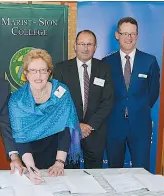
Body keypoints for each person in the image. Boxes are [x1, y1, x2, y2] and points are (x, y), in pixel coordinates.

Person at [9, 49, 81, 184]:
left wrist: (60, 162)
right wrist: (31, 168)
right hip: (31, 155)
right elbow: (21, 138)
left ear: (49, 73)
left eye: (43, 70)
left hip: (60, 153)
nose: (38, 75)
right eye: (33, 70)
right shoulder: (17, 100)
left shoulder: (61, 92)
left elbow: (65, 129)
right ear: (26, 74)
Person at [103, 17, 160, 170]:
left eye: (132, 34)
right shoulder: (106, 63)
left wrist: (138, 107)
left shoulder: (149, 61)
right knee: (114, 170)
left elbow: (153, 92)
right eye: (125, 33)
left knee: (142, 170)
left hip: (140, 125)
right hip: (114, 125)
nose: (129, 38)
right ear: (117, 35)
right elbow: (104, 95)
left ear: (137, 36)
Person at [54, 30, 114, 169]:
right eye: (81, 44)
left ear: (95, 47)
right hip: (69, 131)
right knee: (69, 174)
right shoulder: (61, 69)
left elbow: (108, 100)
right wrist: (77, 124)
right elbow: (58, 101)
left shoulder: (104, 68)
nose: (85, 48)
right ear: (75, 45)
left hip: (95, 131)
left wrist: (90, 125)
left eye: (89, 44)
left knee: (94, 176)